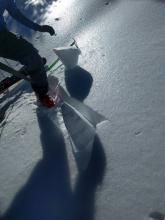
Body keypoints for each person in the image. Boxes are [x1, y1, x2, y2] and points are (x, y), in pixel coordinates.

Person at [0, 0, 56, 107]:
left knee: (32, 57)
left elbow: (16, 13)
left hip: (3, 37)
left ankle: (42, 95)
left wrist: (38, 27)